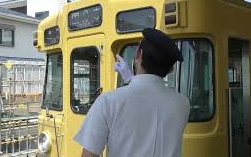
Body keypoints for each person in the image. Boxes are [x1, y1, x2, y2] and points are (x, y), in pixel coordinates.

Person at [74, 28, 190, 157]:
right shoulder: (182, 103)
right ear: (170, 70)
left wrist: (131, 79)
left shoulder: (107, 102)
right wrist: (130, 79)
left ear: (138, 56)